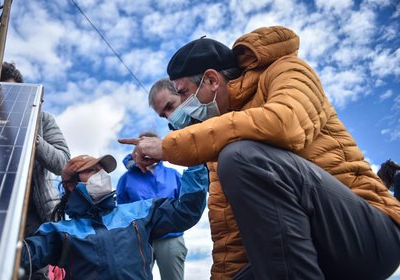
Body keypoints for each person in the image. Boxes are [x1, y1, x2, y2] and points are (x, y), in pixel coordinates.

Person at [120, 26, 400, 280]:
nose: (177, 114)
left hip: (370, 238)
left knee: (239, 156)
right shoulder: (220, 137)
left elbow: (286, 124)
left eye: (182, 95)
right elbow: (232, 240)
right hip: (309, 254)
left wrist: (168, 147)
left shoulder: (286, 71)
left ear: (212, 81)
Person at [20, 154, 209, 279]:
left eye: (102, 169)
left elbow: (186, 211)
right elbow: (21, 258)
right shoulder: (60, 231)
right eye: (92, 170)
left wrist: (194, 159)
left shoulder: (139, 212)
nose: (101, 174)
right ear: (71, 185)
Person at [0, 62, 71, 236]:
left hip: (36, 216)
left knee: (33, 261)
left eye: (12, 91)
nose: (4, 97)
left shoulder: (42, 120)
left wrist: (32, 136)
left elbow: (63, 163)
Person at [117, 132, 187, 280]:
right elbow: (121, 211)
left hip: (171, 237)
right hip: (140, 240)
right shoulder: (126, 179)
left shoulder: (173, 174)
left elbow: (185, 204)